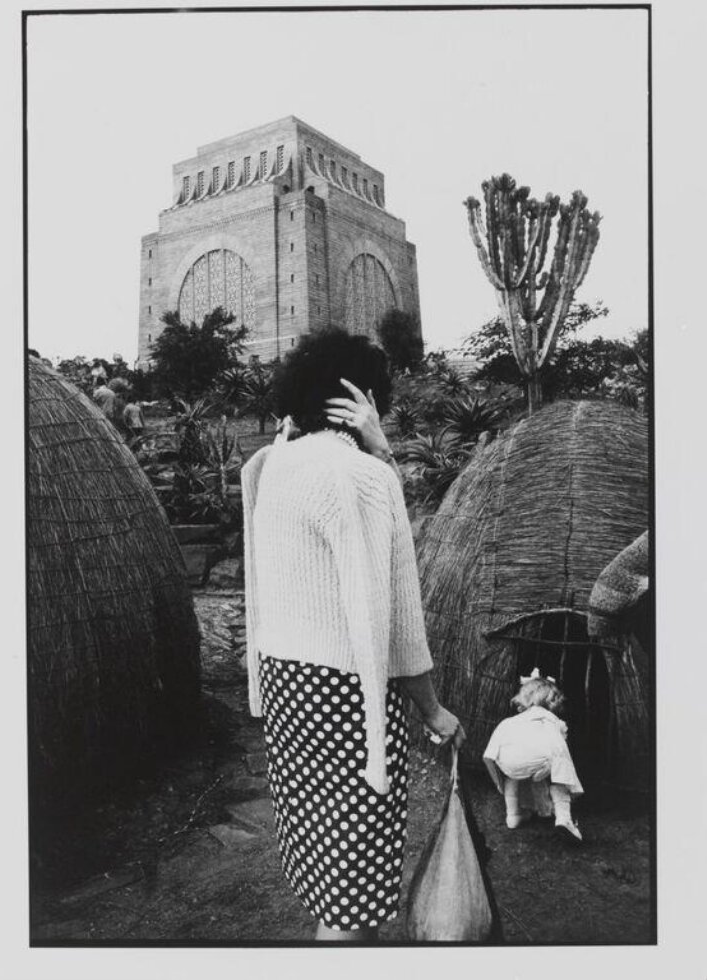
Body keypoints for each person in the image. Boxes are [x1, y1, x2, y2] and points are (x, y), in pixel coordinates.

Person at [241, 327, 465, 943]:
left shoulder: (274, 463)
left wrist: (377, 457)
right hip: (345, 694)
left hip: (289, 687)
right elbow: (394, 617)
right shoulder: (361, 477)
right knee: (353, 891)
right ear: (365, 396)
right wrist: (433, 709)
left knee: (323, 849)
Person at [482, 669, 584, 843]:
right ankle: (563, 817)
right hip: (541, 758)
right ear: (552, 700)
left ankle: (513, 815)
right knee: (557, 773)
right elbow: (559, 747)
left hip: (508, 760)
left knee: (510, 777)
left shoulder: (512, 721)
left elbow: (494, 749)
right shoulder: (552, 720)